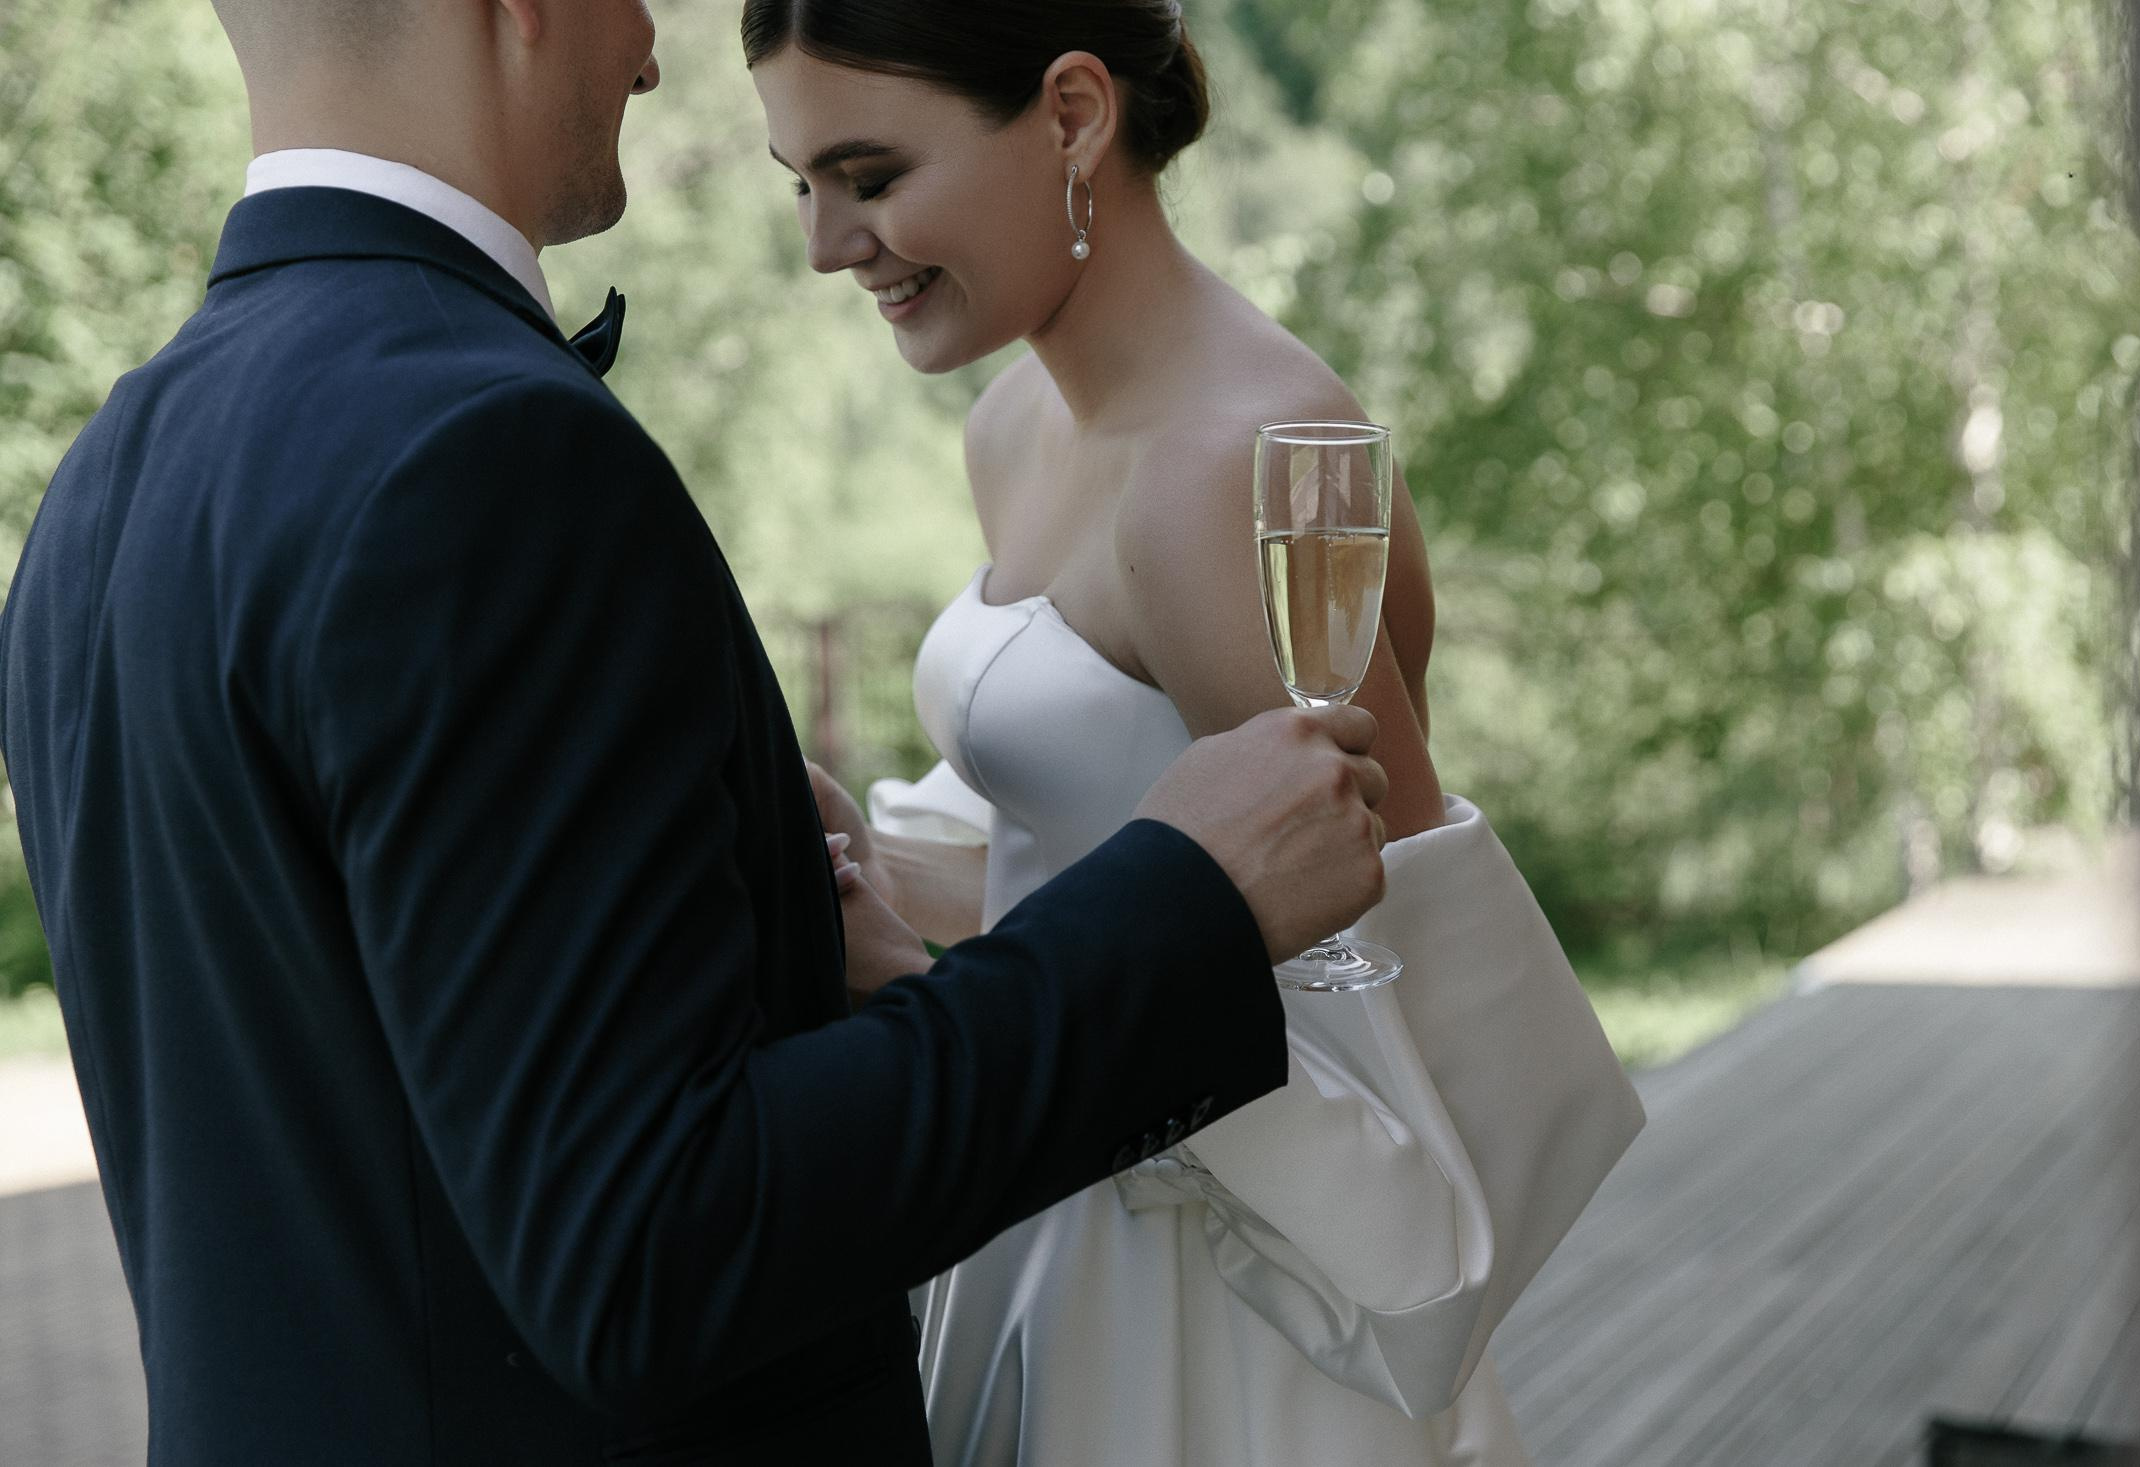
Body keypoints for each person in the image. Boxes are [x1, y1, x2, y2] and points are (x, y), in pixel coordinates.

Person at [0, 0, 1400, 1461]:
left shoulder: (100, 491)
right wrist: (1191, 898)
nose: (653, 50)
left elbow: (382, 1112)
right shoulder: (482, 454)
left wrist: (773, 933)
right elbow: (649, 1248)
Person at [745, 3, 1647, 1463]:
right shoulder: (1018, 425)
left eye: (870, 173)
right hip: (1042, 1222)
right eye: (802, 182)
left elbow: (1406, 1047)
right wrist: (872, 872)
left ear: (1075, 116)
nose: (827, 243)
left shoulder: (1249, 474)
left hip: (1235, 1330)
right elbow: (1102, 849)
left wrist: (948, 988)